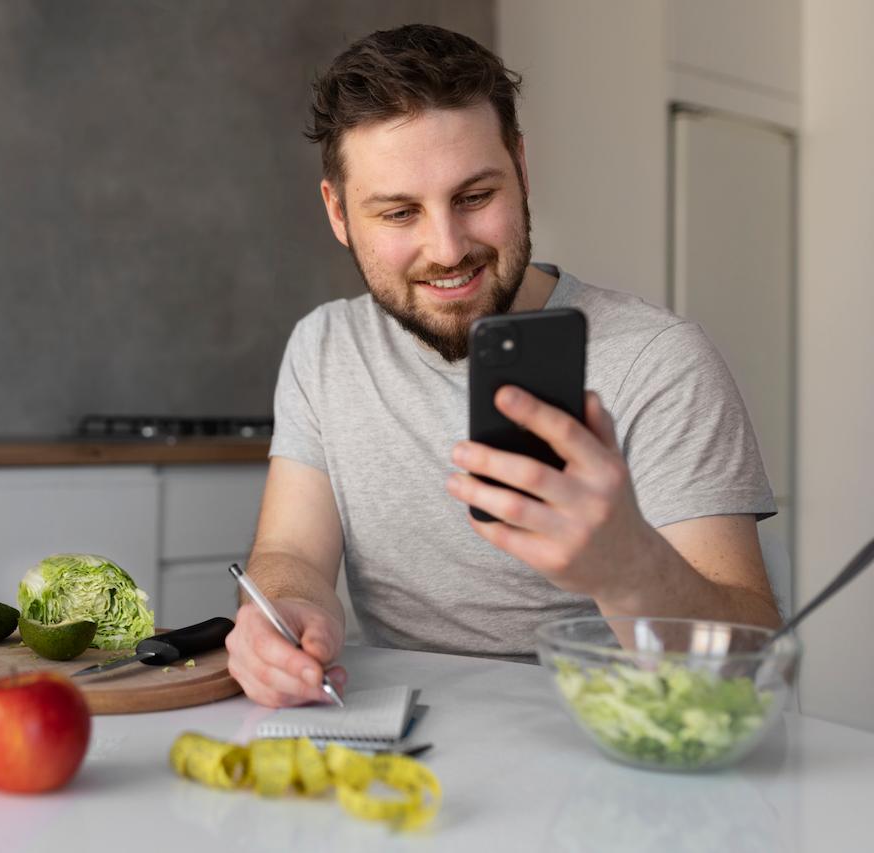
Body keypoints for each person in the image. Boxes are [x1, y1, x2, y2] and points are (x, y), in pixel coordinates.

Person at [225, 24, 782, 708]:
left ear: (521, 168)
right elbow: (293, 555)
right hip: (410, 752)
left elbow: (755, 661)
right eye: (399, 212)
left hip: (624, 761)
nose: (448, 247)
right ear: (339, 213)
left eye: (474, 197)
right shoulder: (326, 348)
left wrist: (626, 565)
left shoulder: (659, 362)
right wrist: (284, 612)